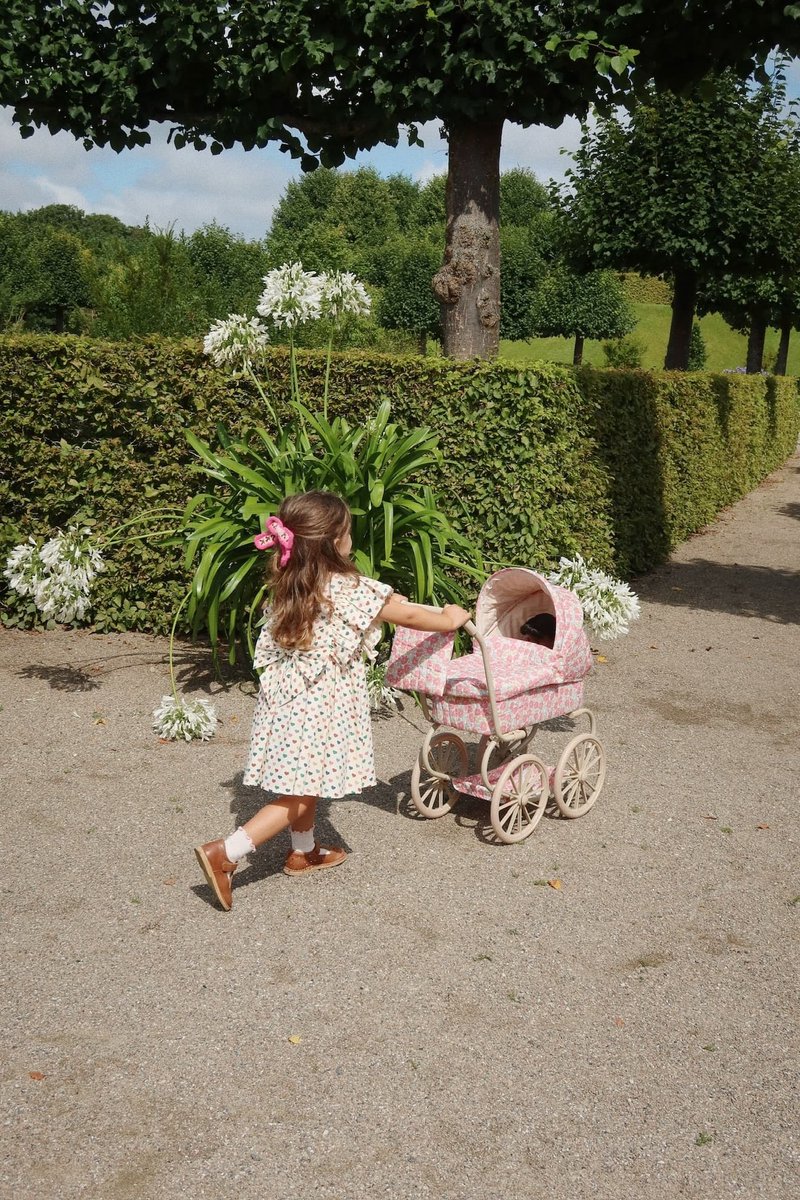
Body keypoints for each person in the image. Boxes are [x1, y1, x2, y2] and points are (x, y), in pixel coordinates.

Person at [194, 489, 471, 911]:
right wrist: (450, 618)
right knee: (301, 790)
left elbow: (371, 606)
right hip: (320, 704)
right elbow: (412, 616)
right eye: (347, 532)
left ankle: (303, 851)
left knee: (307, 779)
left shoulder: (291, 578)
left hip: (288, 698)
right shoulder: (347, 587)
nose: (351, 539)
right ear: (333, 542)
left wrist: (386, 601)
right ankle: (226, 853)